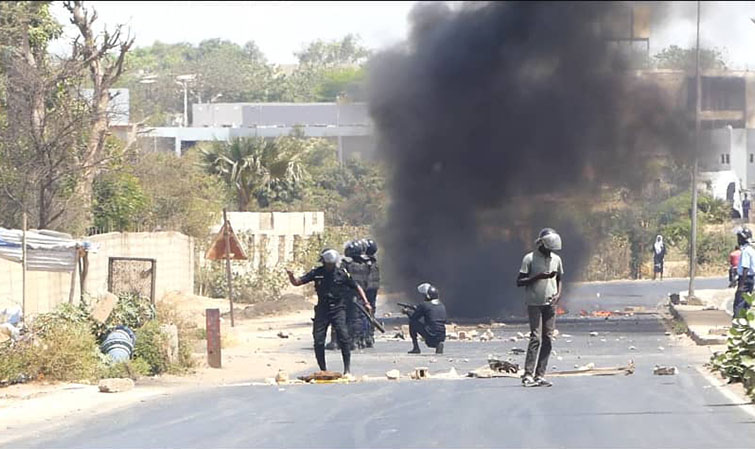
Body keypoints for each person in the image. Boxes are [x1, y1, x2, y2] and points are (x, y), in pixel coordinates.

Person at [286, 248, 372, 375]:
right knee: (318, 340)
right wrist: (291, 276)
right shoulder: (317, 272)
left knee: (344, 337)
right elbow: (298, 282)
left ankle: (347, 369)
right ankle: (323, 370)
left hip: (338, 309)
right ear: (324, 262)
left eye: (332, 264)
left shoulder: (342, 273)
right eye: (328, 264)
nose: (330, 266)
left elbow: (356, 286)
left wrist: (366, 303)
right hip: (322, 309)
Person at [516, 227, 564, 388]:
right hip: (534, 303)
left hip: (550, 304)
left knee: (548, 339)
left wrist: (558, 295)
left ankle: (540, 374)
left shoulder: (556, 259)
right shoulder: (529, 258)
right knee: (535, 338)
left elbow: (559, 278)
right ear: (542, 243)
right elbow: (519, 281)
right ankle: (528, 374)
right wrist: (538, 277)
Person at [402, 283, 447, 354]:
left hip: (431, 334)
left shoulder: (424, 305)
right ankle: (439, 344)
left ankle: (416, 348)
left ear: (427, 296)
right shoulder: (441, 305)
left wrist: (407, 311)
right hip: (442, 335)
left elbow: (414, 317)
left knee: (412, 322)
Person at [734, 227, 755, 318]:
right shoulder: (751, 249)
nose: (738, 240)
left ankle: (737, 325)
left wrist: (741, 286)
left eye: (739, 237)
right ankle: (744, 325)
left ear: (743, 238)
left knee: (739, 303)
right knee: (746, 304)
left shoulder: (746, 251)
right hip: (750, 279)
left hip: (745, 280)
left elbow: (745, 269)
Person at [363, 238, 380, 348]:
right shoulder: (374, 261)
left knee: (362, 313)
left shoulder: (365, 262)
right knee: (371, 311)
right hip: (373, 290)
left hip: (365, 291)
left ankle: (365, 335)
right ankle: (370, 335)